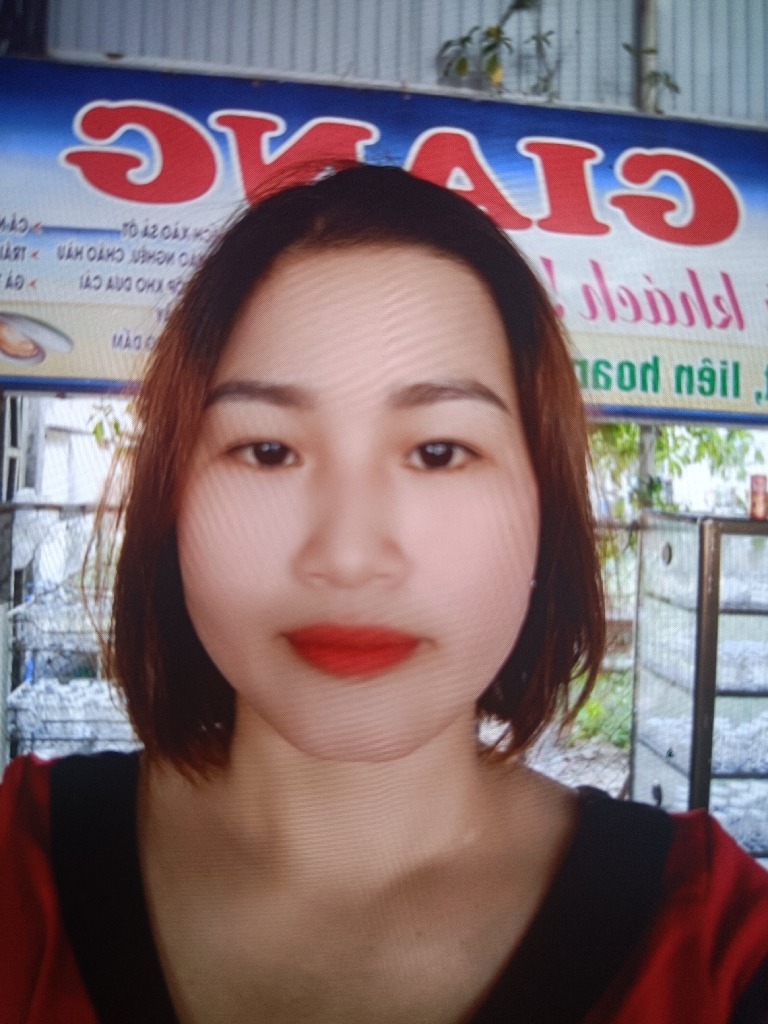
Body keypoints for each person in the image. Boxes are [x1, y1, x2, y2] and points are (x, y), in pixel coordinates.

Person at [1, 164, 767, 1024]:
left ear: (545, 506)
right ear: (172, 500)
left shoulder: (716, 946)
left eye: (438, 452)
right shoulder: (19, 867)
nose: (349, 557)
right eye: (268, 451)